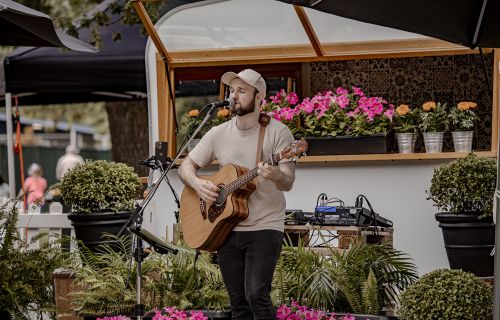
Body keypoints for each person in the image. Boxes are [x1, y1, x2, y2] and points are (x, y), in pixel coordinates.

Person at [178, 69, 296, 319]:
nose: (234, 95)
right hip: (226, 227)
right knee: (238, 304)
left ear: (258, 96)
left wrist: (274, 174)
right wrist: (198, 184)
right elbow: (186, 166)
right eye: (232, 90)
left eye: (242, 91)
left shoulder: (278, 132)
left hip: (265, 225)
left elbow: (287, 181)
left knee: (256, 296)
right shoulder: (217, 133)